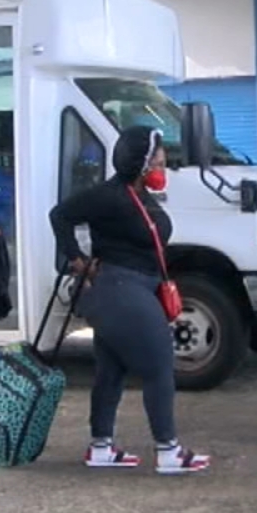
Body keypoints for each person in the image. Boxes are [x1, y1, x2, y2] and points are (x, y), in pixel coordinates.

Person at [49, 125, 210, 475]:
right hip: (120, 288)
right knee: (159, 366)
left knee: (111, 371)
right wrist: (77, 259)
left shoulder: (138, 196)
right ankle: (168, 451)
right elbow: (59, 215)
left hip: (128, 290)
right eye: (159, 162)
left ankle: (101, 447)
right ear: (140, 163)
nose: (163, 168)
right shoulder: (109, 195)